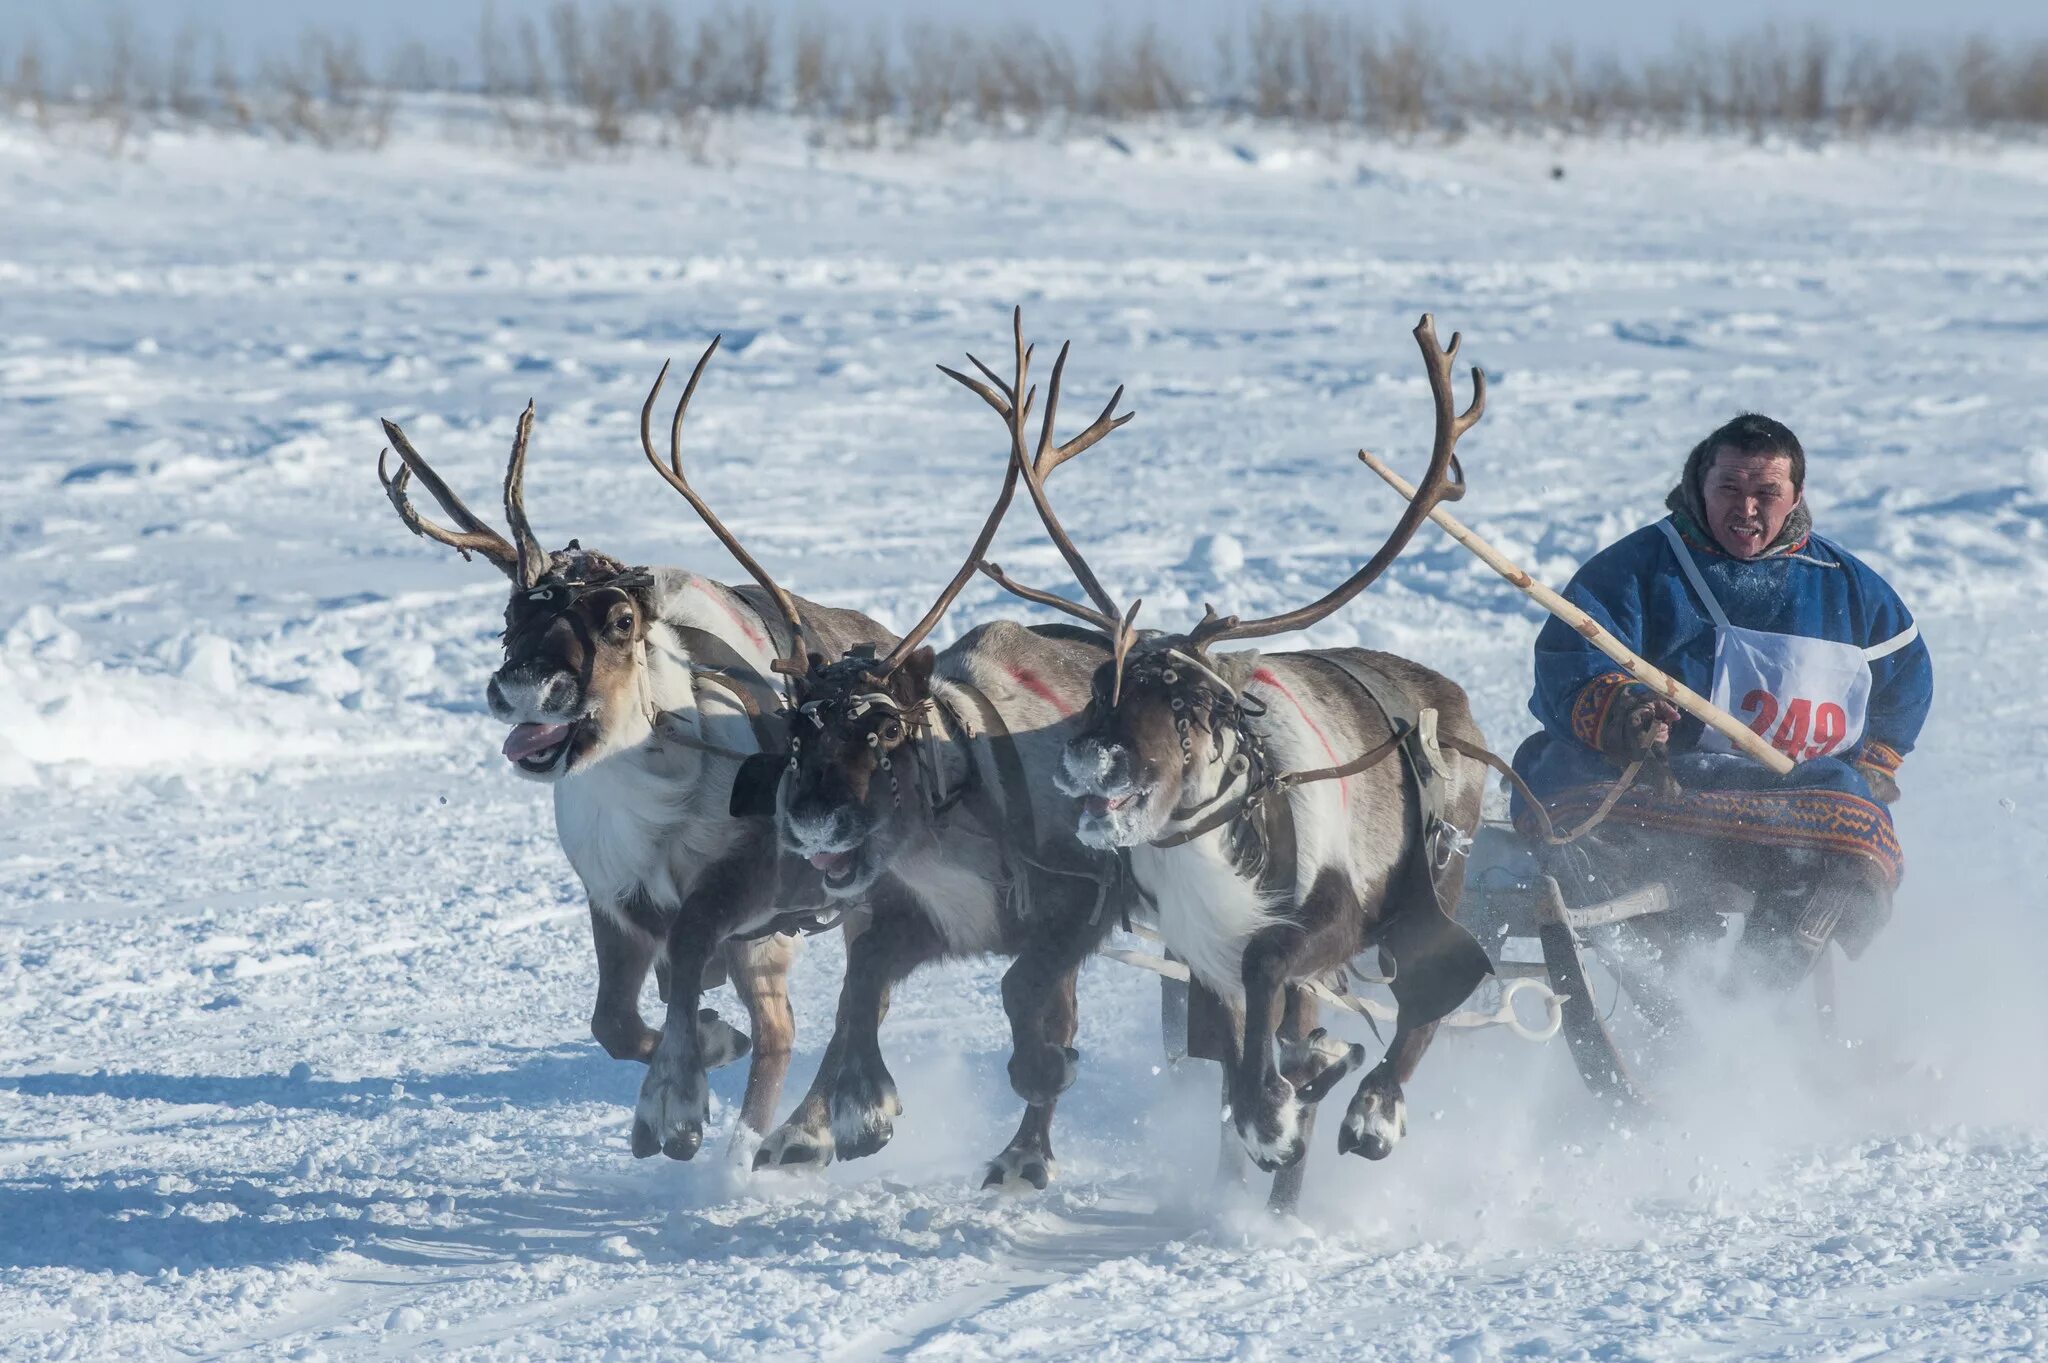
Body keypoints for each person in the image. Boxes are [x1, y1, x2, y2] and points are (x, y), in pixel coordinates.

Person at [1511, 414, 1934, 986]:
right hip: (1653, 779)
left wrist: (1878, 759)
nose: (1747, 509)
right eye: (1729, 489)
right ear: (1699, 486)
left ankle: (1760, 992)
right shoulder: (1637, 569)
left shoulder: (1849, 588)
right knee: (1578, 823)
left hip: (1790, 789)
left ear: (1797, 496)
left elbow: (1905, 674)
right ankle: (1660, 988)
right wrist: (1626, 714)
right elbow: (1571, 658)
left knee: (1855, 829)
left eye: (1767, 493)